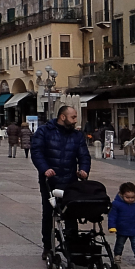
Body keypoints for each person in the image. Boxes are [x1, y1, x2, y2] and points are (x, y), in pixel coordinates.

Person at [31, 105, 90, 259]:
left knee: (71, 212)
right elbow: (36, 152)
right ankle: (47, 246)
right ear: (62, 117)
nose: (75, 120)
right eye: (73, 117)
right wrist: (45, 169)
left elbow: (84, 155)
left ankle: (72, 246)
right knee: (49, 213)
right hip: (50, 181)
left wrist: (84, 170)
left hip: (70, 180)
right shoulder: (44, 131)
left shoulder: (77, 135)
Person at [107, 181, 135, 267]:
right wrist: (112, 226)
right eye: (127, 197)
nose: (130, 199)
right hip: (122, 229)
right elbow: (112, 216)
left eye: (132, 197)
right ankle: (117, 255)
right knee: (120, 244)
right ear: (121, 194)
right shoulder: (116, 204)